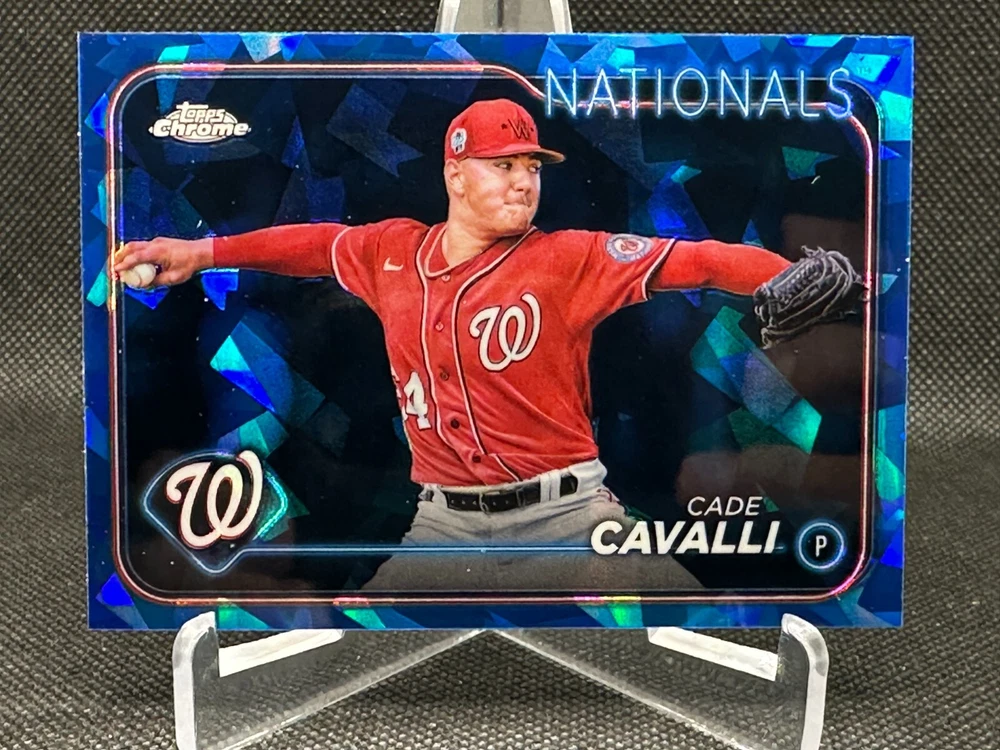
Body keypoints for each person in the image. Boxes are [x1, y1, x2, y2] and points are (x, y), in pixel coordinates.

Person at [115, 98, 820, 594]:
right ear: (455, 174)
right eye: (503, 165)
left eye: (532, 167)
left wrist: (785, 276)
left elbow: (700, 260)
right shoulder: (393, 252)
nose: (524, 181)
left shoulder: (568, 258)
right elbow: (315, 246)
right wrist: (202, 252)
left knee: (687, 618)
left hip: (568, 516)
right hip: (442, 523)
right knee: (358, 639)